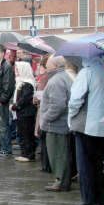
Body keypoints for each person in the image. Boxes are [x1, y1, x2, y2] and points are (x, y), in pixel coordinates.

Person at [68, 56, 104, 205]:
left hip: (86, 125)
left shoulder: (86, 73)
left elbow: (75, 99)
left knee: (85, 165)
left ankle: (88, 199)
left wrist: (71, 116)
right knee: (98, 165)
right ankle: (99, 200)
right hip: (102, 125)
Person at [40, 56, 74, 191]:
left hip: (56, 125)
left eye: (47, 64)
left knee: (58, 154)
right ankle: (61, 179)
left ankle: (61, 181)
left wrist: (45, 118)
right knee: (61, 153)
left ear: (53, 66)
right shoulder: (63, 77)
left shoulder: (56, 80)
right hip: (61, 124)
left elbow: (58, 105)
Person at [11, 61, 37, 162]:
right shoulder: (20, 82)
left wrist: (15, 106)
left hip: (26, 113)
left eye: (17, 69)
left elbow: (24, 99)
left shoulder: (27, 84)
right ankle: (25, 152)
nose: (16, 71)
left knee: (26, 133)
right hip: (21, 112)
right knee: (22, 132)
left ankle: (28, 154)